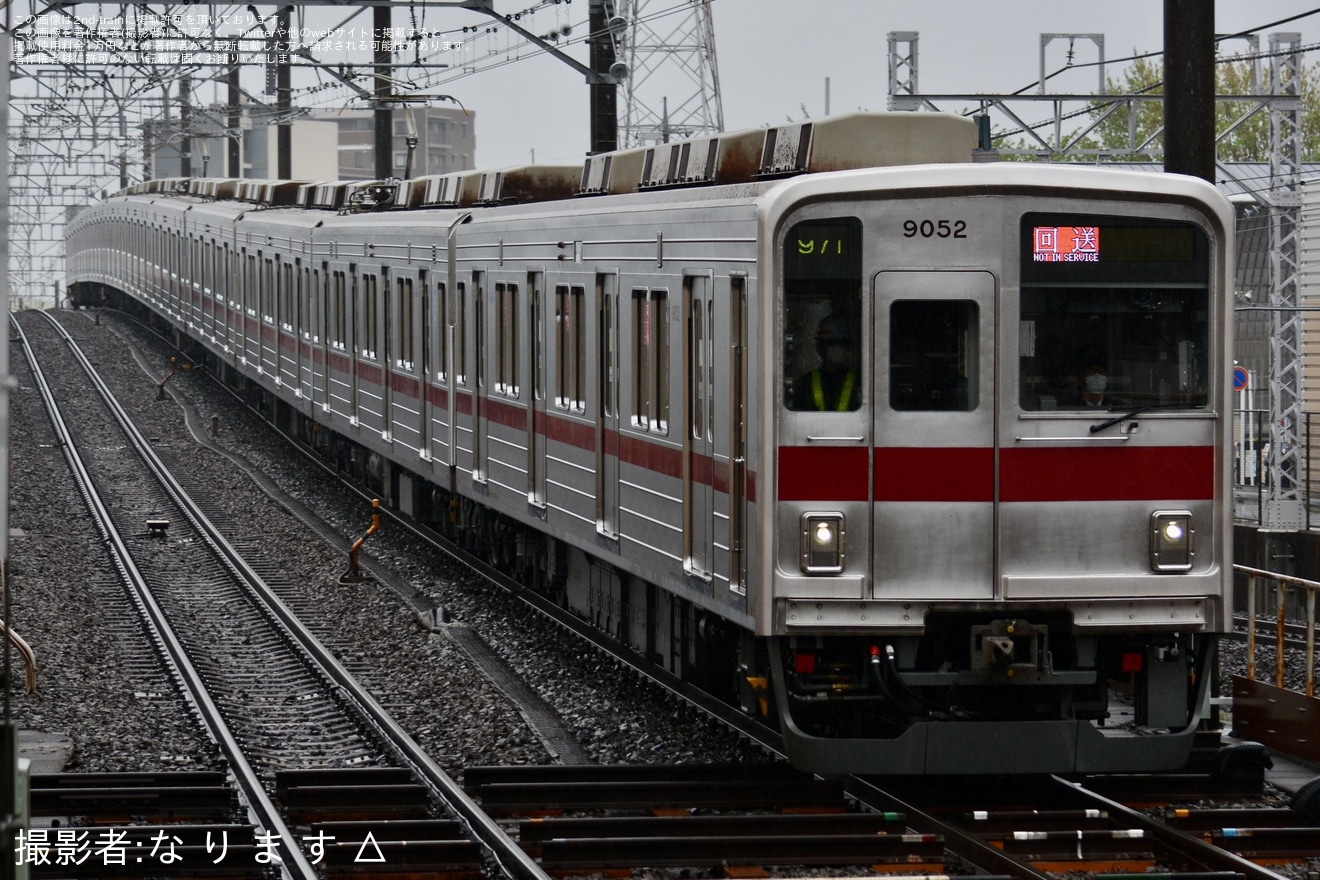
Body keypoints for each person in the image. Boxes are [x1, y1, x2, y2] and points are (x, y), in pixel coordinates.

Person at [792, 313, 859, 411]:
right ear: (820, 348)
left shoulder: (859, 382)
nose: (838, 348)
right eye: (832, 343)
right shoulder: (806, 383)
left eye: (842, 344)